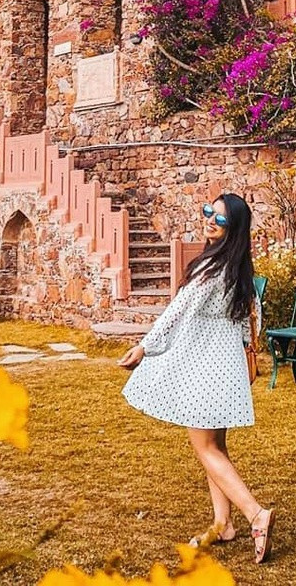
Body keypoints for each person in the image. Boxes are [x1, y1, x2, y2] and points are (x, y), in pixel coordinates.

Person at [118, 192, 275, 564]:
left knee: (205, 448)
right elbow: (253, 319)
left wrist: (145, 347)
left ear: (232, 228)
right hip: (227, 368)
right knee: (215, 449)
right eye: (208, 213)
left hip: (206, 370)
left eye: (219, 219)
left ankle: (256, 515)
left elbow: (177, 310)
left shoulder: (210, 270)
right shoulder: (239, 270)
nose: (209, 221)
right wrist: (241, 362)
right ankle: (224, 524)